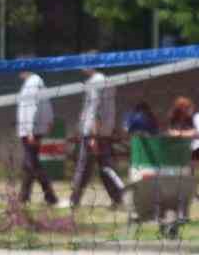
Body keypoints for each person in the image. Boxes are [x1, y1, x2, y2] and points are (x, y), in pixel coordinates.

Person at [70, 63, 125, 209]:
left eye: (84, 62)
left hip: (94, 134)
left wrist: (93, 136)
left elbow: (96, 110)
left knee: (84, 167)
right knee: (105, 167)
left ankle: (74, 200)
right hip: (103, 132)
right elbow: (104, 110)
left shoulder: (96, 82)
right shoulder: (107, 81)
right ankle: (118, 199)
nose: (80, 66)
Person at [15, 65, 61, 207]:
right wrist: (49, 120)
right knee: (29, 163)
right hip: (33, 129)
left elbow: (32, 107)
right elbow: (46, 104)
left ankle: (50, 197)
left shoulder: (33, 83)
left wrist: (29, 131)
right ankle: (24, 198)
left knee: (32, 163)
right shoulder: (37, 82)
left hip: (31, 130)